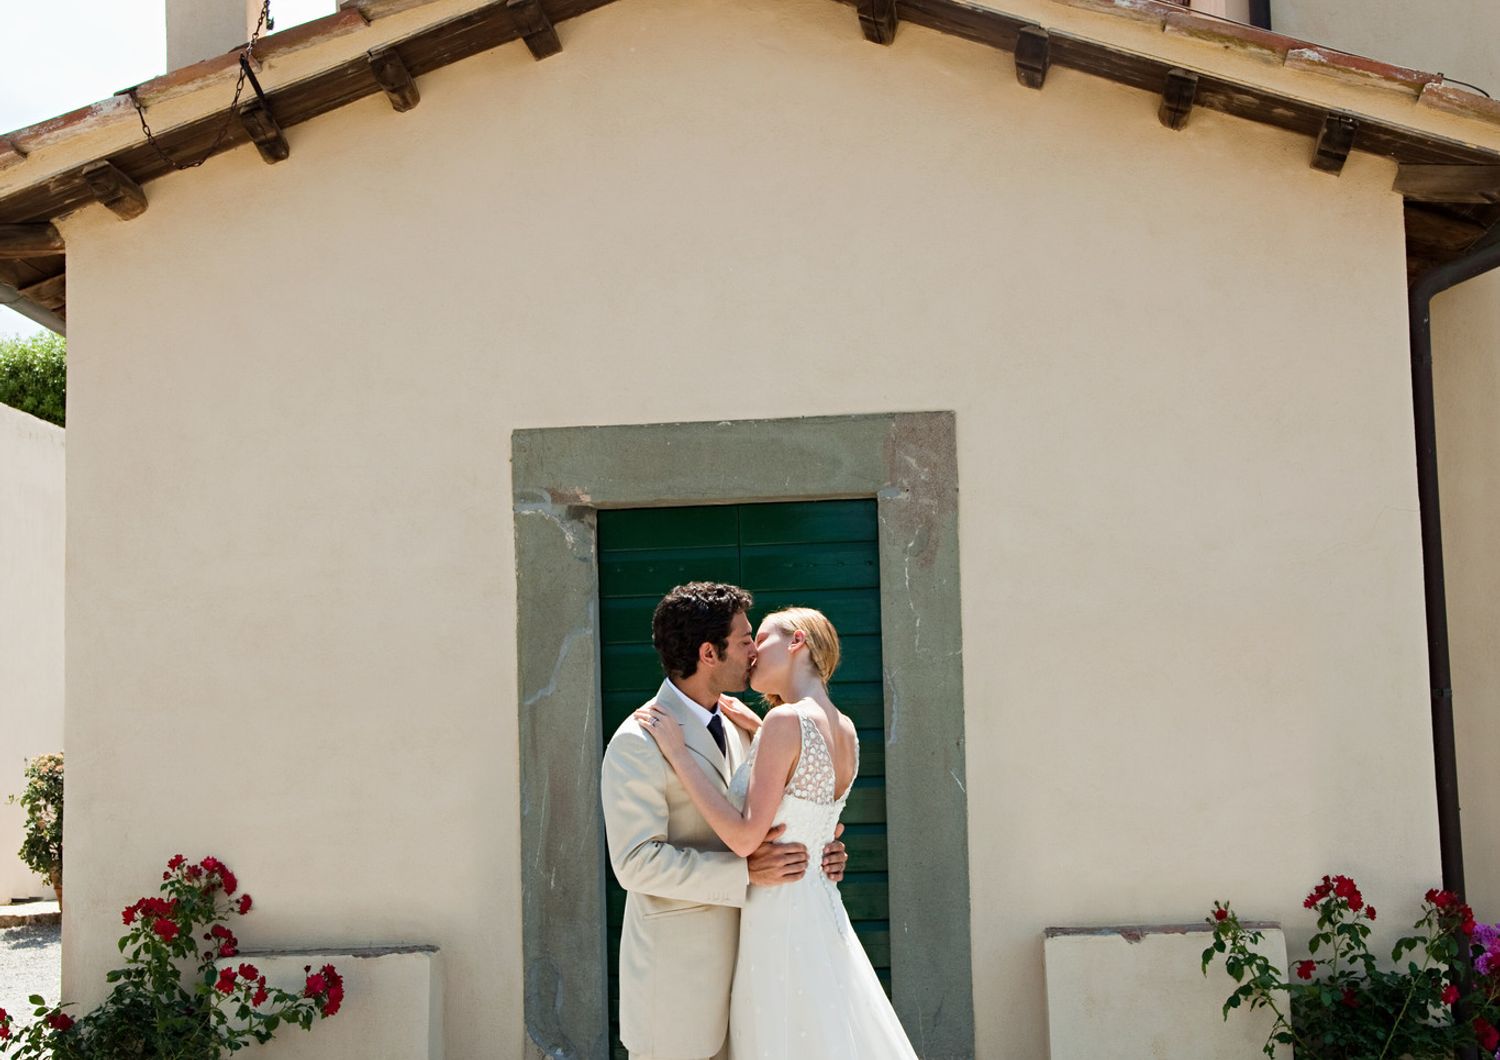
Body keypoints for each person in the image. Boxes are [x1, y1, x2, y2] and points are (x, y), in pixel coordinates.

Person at [635, 606, 918, 1059]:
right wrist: (759, 725)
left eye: (759, 638)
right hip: (818, 908)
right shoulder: (845, 729)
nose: (750, 653)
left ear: (796, 642)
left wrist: (679, 754)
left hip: (777, 914)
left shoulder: (786, 723)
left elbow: (747, 839)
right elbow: (808, 811)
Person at [600, 582, 850, 1060]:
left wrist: (820, 846)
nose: (754, 650)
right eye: (743, 640)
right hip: (680, 987)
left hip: (757, 974)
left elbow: (777, 810)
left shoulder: (743, 726)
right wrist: (745, 872)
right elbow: (635, 864)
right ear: (709, 652)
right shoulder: (639, 739)